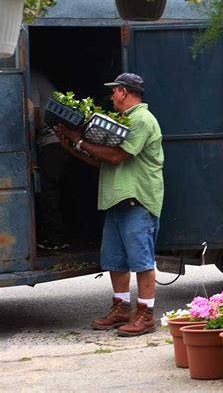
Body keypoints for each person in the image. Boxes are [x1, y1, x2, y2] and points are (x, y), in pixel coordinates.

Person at [55, 73, 164, 337]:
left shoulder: (141, 119)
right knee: (115, 260)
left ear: (124, 92)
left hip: (137, 200)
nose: (112, 97)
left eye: (114, 92)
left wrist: (79, 139)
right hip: (117, 200)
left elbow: (117, 156)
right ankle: (121, 307)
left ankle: (146, 315)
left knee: (142, 261)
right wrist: (72, 147)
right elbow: (103, 161)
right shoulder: (126, 120)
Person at [30, 70, 70, 250]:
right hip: (58, 141)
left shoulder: (29, 78)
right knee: (54, 190)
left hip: (53, 142)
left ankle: (56, 240)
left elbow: (34, 114)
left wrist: (27, 142)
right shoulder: (40, 78)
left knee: (48, 191)